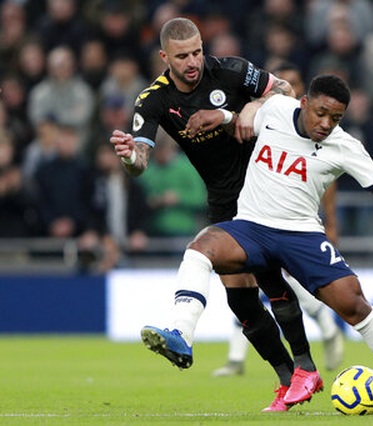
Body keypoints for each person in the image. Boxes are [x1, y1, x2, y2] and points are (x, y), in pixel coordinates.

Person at [171, 74, 373, 414]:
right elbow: (244, 119)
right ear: (304, 103)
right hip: (252, 227)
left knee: (355, 306)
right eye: (320, 113)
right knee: (200, 247)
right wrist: (225, 115)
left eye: (335, 118)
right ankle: (181, 333)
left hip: (301, 235)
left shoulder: (345, 146)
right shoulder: (276, 109)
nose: (326, 124)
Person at [109, 17, 321, 412]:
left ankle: (306, 366)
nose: (193, 62)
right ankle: (288, 377)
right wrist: (128, 159)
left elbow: (288, 91)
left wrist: (251, 108)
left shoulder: (232, 70)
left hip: (263, 186)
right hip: (223, 200)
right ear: (164, 57)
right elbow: (140, 162)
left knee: (271, 279)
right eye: (182, 56)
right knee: (241, 302)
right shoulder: (152, 100)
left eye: (197, 51)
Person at [213, 62, 344, 377]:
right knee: (254, 284)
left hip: (298, 223)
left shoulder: (316, 132)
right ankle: (236, 357)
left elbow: (328, 184)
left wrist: (331, 221)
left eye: (295, 83)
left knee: (295, 288)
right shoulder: (269, 118)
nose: (290, 89)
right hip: (260, 213)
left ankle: (327, 329)